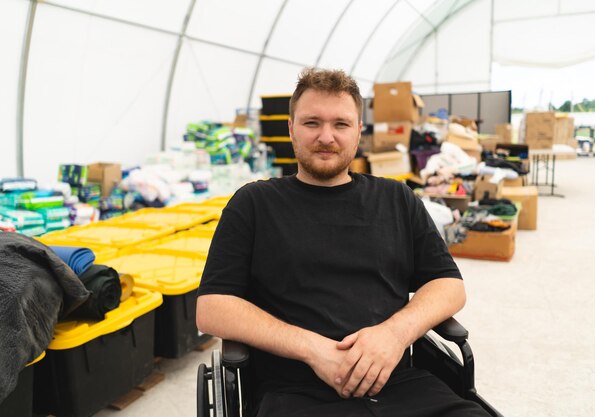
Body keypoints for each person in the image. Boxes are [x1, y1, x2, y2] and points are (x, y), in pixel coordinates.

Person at [196, 68, 490, 417]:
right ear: (291, 129)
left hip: (401, 387)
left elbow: (449, 285)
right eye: (311, 123)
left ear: (358, 131)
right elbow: (212, 307)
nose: (326, 136)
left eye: (340, 124)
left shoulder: (397, 198)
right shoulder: (254, 204)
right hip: (295, 396)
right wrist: (312, 349)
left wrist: (394, 335)